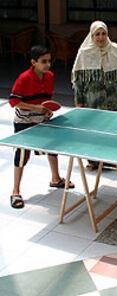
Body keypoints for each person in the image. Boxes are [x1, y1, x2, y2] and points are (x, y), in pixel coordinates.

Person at [8, 45, 75, 209]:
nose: (47, 65)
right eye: (43, 61)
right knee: (23, 155)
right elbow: (13, 102)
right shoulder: (24, 78)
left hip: (41, 118)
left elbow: (47, 99)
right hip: (24, 121)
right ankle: (15, 192)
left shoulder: (50, 76)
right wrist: (35, 108)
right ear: (33, 62)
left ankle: (56, 179)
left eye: (49, 61)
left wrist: (47, 110)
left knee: (52, 147)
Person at [72, 20, 117, 171]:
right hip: (91, 100)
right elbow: (78, 79)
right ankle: (93, 160)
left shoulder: (116, 50)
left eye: (103, 34)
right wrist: (79, 100)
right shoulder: (84, 52)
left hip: (112, 100)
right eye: (97, 34)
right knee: (92, 130)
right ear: (92, 35)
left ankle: (109, 158)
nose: (100, 37)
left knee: (112, 129)